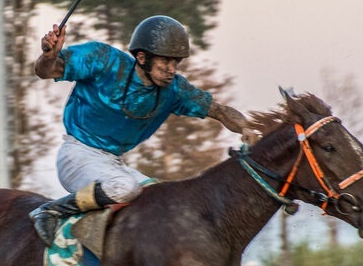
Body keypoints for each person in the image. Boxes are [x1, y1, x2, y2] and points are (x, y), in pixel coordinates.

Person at [30, 15, 254, 246]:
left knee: (162, 201)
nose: (171, 70)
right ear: (142, 57)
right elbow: (46, 71)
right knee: (125, 188)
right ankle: (50, 211)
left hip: (112, 164)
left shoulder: (175, 90)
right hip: (76, 155)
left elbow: (220, 111)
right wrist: (49, 56)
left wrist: (245, 127)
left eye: (175, 63)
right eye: (165, 62)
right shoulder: (103, 59)